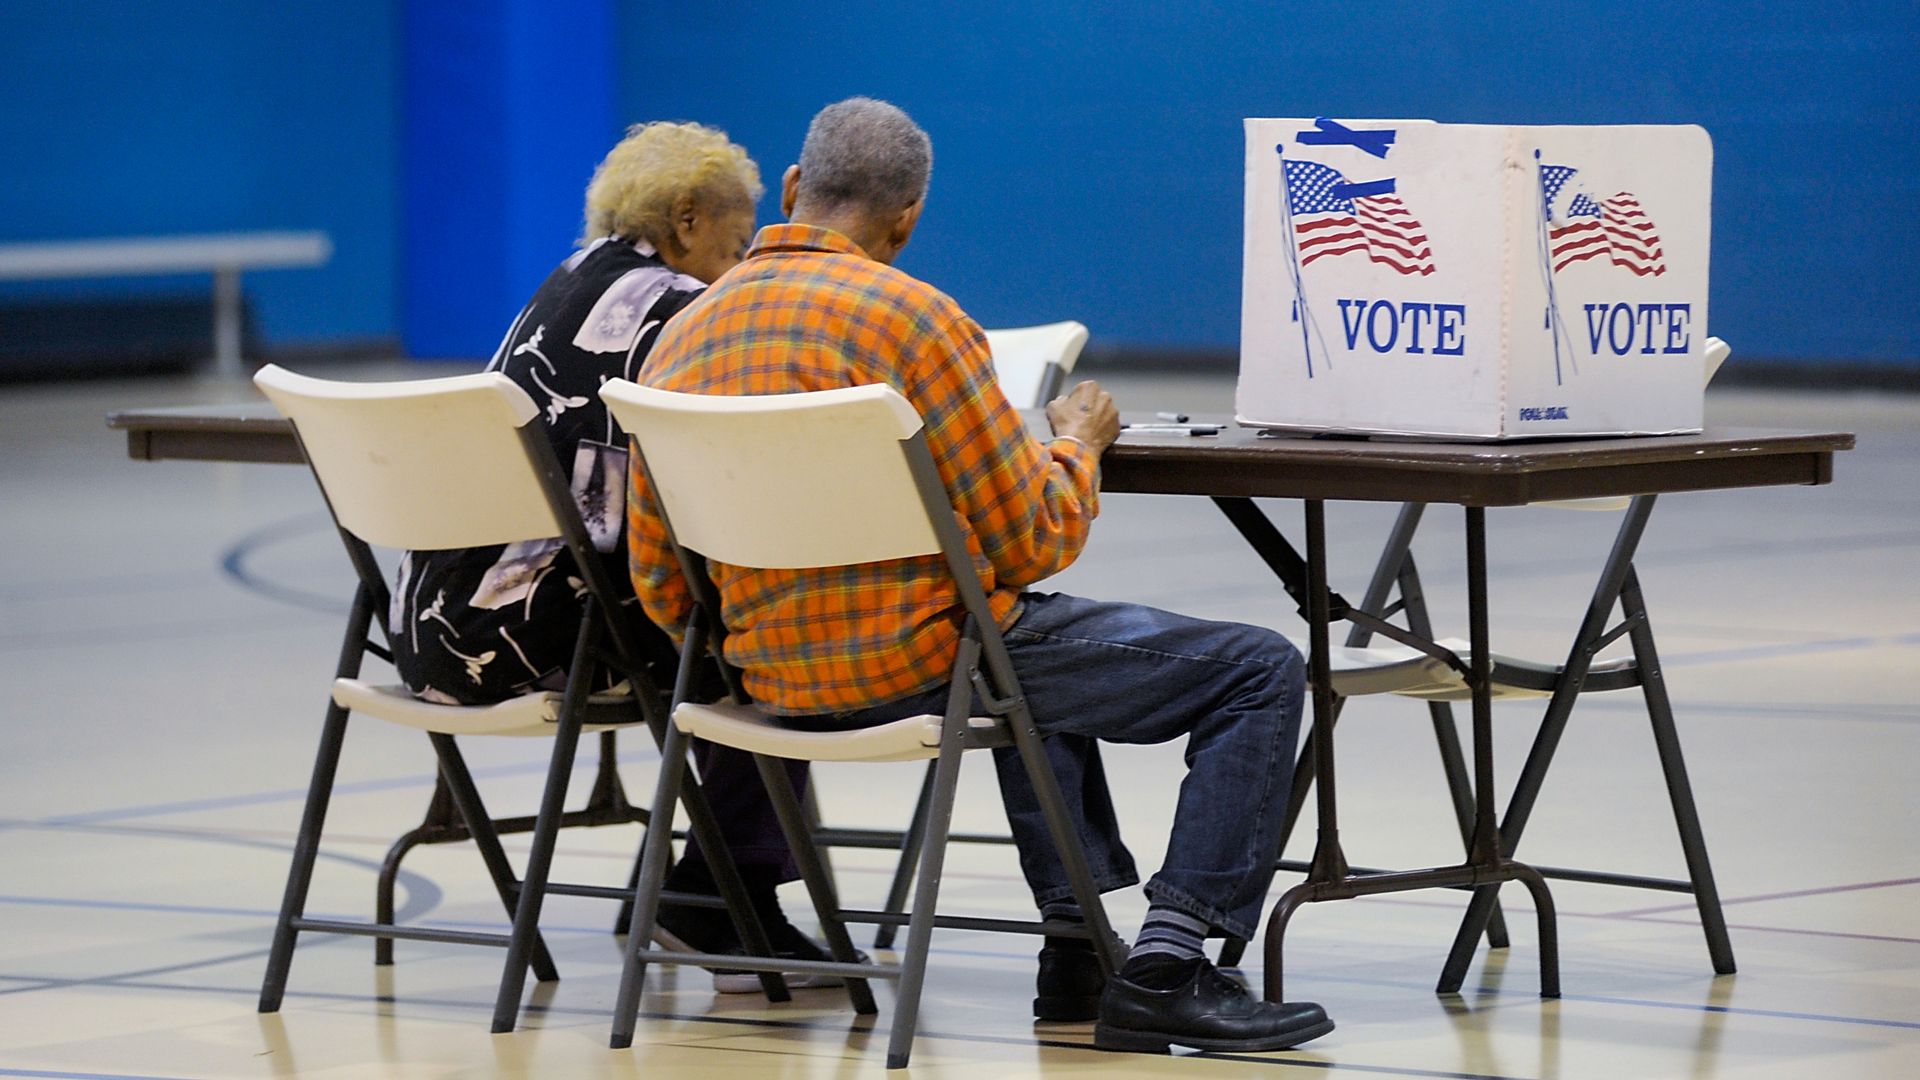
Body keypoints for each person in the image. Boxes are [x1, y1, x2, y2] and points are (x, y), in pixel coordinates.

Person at [626, 98, 1332, 1054]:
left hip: (766, 688)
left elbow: (663, 586)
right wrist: (1075, 447)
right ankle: (1170, 963)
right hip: (925, 670)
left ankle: (1078, 952)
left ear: (794, 189)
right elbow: (1033, 537)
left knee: (1028, 645)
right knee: (1253, 669)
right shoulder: (918, 321)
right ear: (908, 216)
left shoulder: (678, 339)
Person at [388, 120, 836, 992]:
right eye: (737, 242)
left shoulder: (568, 281)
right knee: (772, 626)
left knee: (719, 607)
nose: (740, 263)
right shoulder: (676, 305)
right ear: (686, 217)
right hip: (532, 639)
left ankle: (690, 891)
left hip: (431, 628)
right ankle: (720, 899)